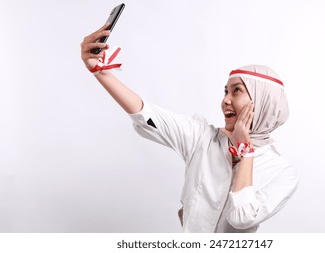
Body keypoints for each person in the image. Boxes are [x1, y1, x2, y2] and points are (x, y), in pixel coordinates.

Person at [80, 24, 298, 233]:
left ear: (264, 101)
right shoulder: (202, 138)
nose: (226, 101)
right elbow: (146, 114)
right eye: (225, 92)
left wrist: (245, 149)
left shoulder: (282, 173)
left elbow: (241, 217)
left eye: (237, 91)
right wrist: (100, 71)